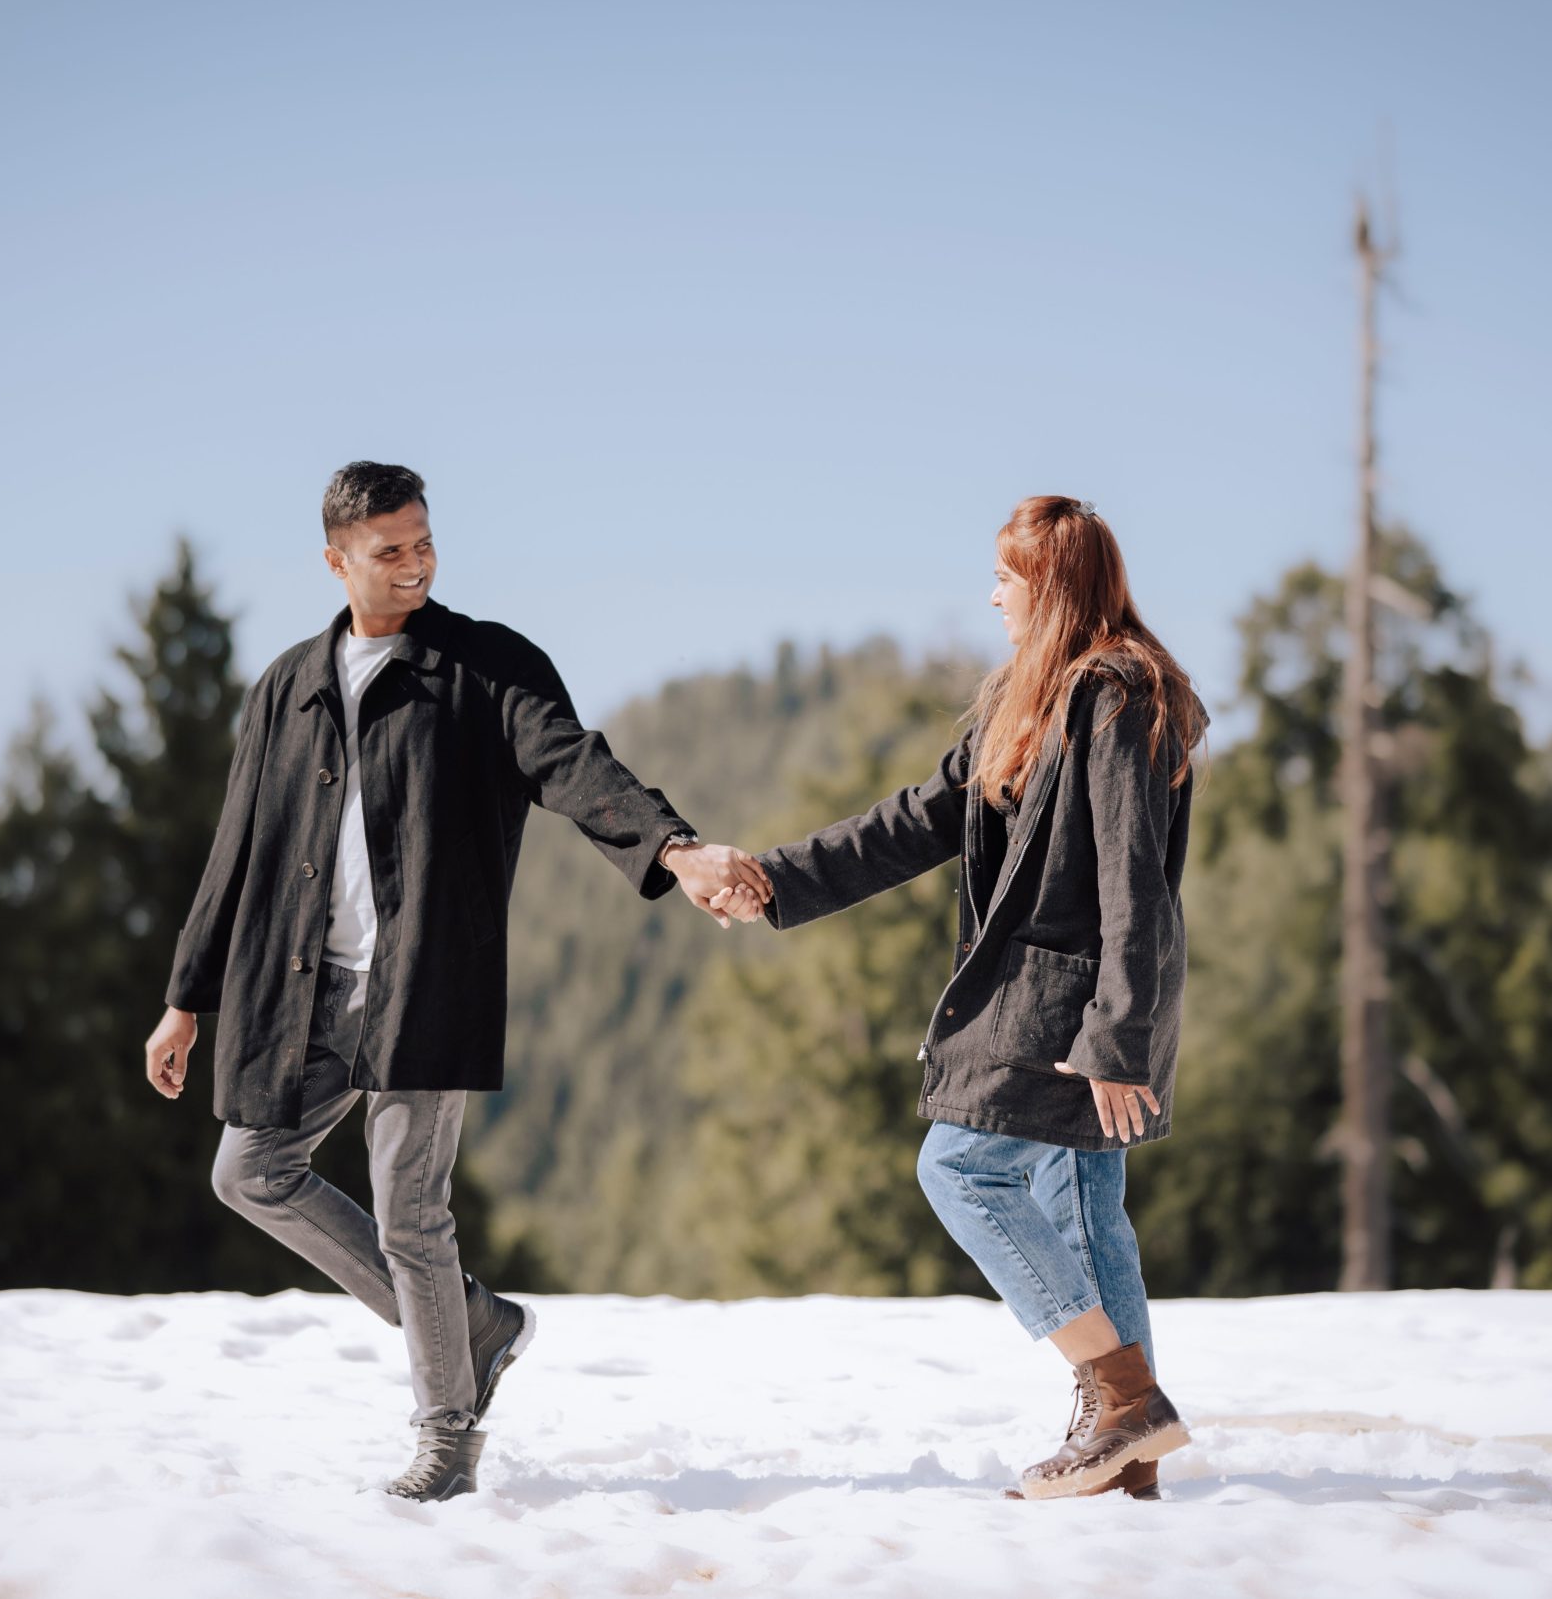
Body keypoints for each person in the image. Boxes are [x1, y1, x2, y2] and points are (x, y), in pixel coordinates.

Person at [143, 461, 772, 1502]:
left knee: (409, 1212)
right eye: (388, 552)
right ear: (336, 560)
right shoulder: (288, 685)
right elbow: (235, 849)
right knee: (249, 1172)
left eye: (424, 542)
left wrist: (675, 848)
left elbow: (575, 764)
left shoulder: (484, 666)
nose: (414, 566)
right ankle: (473, 1324)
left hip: (422, 980)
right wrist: (184, 999)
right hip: (296, 986)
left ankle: (447, 1434)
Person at [711, 494, 1206, 1501]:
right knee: (1083, 1212)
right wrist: (775, 880)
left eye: (1006, 581)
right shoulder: (1021, 698)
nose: (991, 598)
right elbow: (915, 822)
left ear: (1051, 588)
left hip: (1069, 1006)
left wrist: (1117, 1036)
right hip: (1062, 999)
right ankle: (1127, 1461)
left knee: (961, 1171)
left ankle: (1120, 1398)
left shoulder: (1115, 697)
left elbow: (1132, 876)